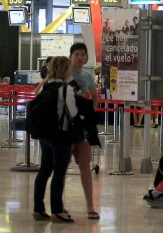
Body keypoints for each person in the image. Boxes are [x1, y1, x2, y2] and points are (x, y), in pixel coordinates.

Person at [33, 56, 78, 223]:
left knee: (44, 171)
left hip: (44, 134)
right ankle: (57, 210)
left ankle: (38, 208)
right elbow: (73, 112)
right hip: (61, 134)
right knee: (59, 173)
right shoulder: (65, 89)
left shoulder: (45, 86)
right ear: (65, 70)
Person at [69, 43, 99, 220]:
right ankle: (59, 205)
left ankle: (90, 206)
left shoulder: (87, 76)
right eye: (77, 54)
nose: (80, 57)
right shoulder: (64, 73)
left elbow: (94, 95)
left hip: (81, 125)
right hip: (65, 125)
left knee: (85, 164)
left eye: (83, 54)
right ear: (71, 56)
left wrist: (91, 113)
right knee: (61, 165)